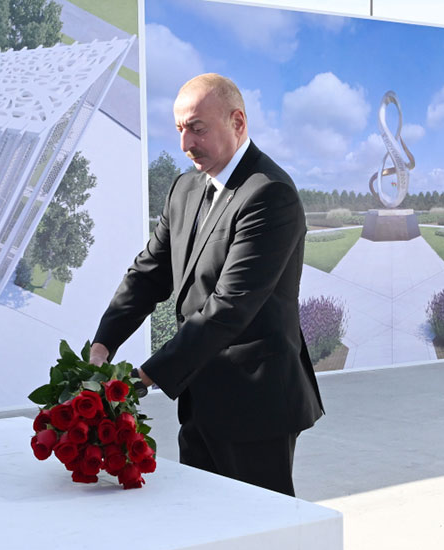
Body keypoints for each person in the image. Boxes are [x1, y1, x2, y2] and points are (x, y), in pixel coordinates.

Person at [89, 73, 324, 496]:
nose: (185, 143)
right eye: (180, 129)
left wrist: (143, 378)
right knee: (203, 520)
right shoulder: (184, 188)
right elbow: (148, 273)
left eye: (197, 128)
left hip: (256, 406)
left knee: (258, 528)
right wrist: (103, 345)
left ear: (238, 122)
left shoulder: (270, 193)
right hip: (199, 399)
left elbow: (229, 306)